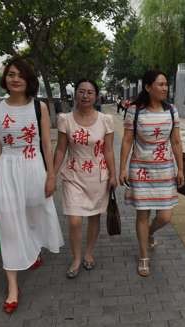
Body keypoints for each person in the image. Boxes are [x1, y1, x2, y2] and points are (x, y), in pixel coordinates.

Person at [0, 58, 64, 313]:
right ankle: (12, 288)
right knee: (9, 224)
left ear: (29, 80)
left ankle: (33, 250)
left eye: (19, 75)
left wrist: (51, 175)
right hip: (7, 169)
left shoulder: (38, 107)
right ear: (5, 79)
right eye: (10, 74)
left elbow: (45, 144)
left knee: (33, 213)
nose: (14, 79)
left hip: (33, 167)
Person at [119, 70, 184, 277]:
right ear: (148, 87)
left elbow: (175, 141)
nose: (165, 88)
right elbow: (127, 140)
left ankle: (150, 233)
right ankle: (144, 257)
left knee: (165, 217)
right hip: (141, 169)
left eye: (166, 84)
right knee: (143, 214)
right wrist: (122, 168)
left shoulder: (172, 111)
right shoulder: (135, 111)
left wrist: (180, 168)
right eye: (160, 84)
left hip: (164, 170)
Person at [53, 79, 117, 279]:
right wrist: (51, 175)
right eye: (81, 91)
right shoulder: (65, 119)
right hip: (73, 175)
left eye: (90, 92)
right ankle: (76, 258)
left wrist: (114, 174)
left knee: (94, 216)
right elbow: (61, 148)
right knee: (74, 221)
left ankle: (89, 252)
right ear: (76, 94)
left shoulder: (105, 120)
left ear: (96, 96)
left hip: (98, 177)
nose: (85, 96)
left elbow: (108, 150)